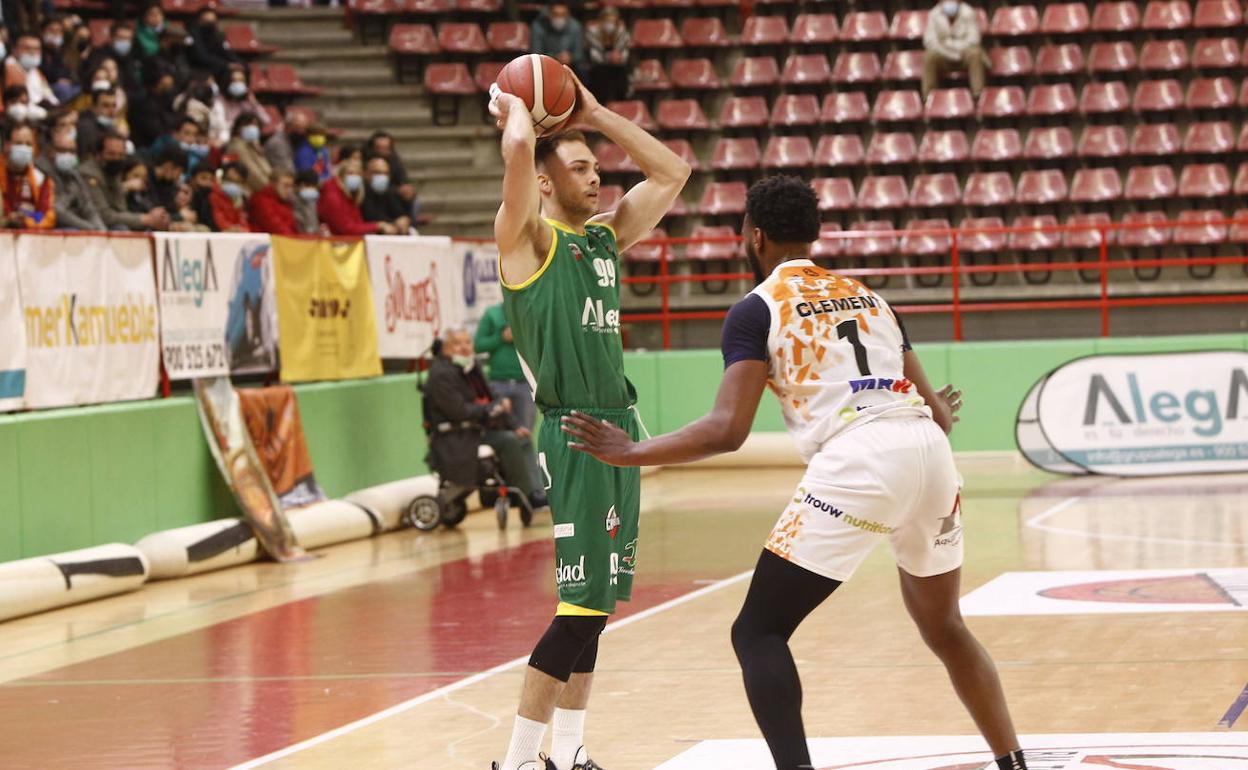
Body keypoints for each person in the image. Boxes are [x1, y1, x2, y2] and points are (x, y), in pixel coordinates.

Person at [560, 176, 1029, 770]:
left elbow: (728, 430)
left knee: (758, 631)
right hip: (928, 451)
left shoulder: (756, 309)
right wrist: (920, 416)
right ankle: (1014, 761)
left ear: (754, 236)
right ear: (814, 233)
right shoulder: (870, 296)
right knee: (945, 627)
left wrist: (629, 452)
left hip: (860, 457)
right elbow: (938, 413)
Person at [487, 67, 690, 770]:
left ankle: (568, 753)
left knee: (598, 606)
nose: (596, 177)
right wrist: (517, 111)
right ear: (544, 183)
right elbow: (518, 154)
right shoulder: (526, 243)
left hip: (619, 430)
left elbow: (671, 173)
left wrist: (598, 115)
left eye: (596, 167)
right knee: (578, 607)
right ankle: (515, 762)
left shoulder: (602, 240)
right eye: (578, 167)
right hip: (574, 434)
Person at [424, 328, 549, 513]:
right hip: (458, 435)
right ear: (445, 349)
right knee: (509, 441)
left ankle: (536, 491)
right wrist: (491, 409)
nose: (464, 348)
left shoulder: (471, 366)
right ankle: (526, 495)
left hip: (476, 429)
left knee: (521, 436)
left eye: (467, 342)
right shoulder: (441, 374)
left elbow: (492, 398)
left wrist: (514, 425)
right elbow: (459, 411)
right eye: (457, 344)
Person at [81, 130, 170, 230]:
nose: (116, 159)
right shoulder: (89, 174)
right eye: (111, 154)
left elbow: (121, 209)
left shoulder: (114, 173)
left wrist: (153, 218)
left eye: (121, 155)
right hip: (91, 226)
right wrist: (146, 219)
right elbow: (104, 215)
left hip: (112, 223)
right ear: (98, 155)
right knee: (121, 228)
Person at [474, 302, 535, 433]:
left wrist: (521, 336)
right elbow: (478, 345)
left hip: (525, 384)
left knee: (525, 432)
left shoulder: (530, 311)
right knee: (496, 431)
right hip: (497, 383)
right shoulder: (492, 313)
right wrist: (501, 337)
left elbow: (541, 343)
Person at [40, 126, 105, 230]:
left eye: (71, 151)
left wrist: (101, 231)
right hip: (51, 225)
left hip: (79, 224)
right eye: (62, 150)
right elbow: (56, 210)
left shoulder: (74, 174)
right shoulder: (41, 171)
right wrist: (89, 228)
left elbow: (88, 208)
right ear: (50, 151)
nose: (67, 155)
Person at [923, 0, 987, 99]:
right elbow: (929, 41)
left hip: (964, 54)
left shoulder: (968, 12)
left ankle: (978, 97)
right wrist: (948, 52)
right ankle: (929, 99)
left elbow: (974, 39)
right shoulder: (933, 14)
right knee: (929, 56)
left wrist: (948, 44)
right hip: (943, 55)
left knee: (976, 53)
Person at [317, 157, 394, 235]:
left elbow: (357, 223)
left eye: (358, 174)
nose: (355, 177)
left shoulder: (349, 195)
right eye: (351, 173)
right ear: (341, 175)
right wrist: (377, 226)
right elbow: (346, 229)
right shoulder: (332, 197)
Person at [0, 122, 56, 228]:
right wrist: (8, 219)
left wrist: (26, 221)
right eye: (19, 143)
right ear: (7, 145)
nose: (24, 148)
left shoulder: (41, 178)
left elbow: (45, 216)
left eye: (28, 144)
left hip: (30, 236)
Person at [366, 129, 419, 221]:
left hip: (392, 196)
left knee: (411, 200)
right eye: (379, 148)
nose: (383, 152)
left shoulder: (394, 161)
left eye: (386, 148)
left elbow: (404, 180)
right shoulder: (365, 161)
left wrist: (408, 191)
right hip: (372, 196)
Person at [585, 7, 629, 104]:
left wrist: (620, 57)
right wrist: (608, 58)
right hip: (599, 67)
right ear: (601, 20)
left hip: (617, 67)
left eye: (613, 21)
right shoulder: (593, 32)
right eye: (607, 21)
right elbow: (594, 54)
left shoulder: (621, 31)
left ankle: (622, 102)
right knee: (601, 73)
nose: (610, 24)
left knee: (622, 71)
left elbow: (625, 52)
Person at [6, 32, 58, 109]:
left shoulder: (36, 71)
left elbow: (48, 94)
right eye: (27, 48)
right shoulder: (7, 68)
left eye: (37, 49)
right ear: (14, 50)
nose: (32, 52)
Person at [530, 4, 586, 76]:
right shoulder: (538, 27)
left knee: (582, 69)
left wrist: (571, 57)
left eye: (563, 14)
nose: (559, 18)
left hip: (571, 66)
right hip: (546, 66)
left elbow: (579, 54)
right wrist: (555, 57)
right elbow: (536, 54)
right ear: (549, 14)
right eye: (555, 14)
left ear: (568, 15)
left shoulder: (575, 26)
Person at [360, 154, 411, 233]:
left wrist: (403, 219)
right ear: (365, 174)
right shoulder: (359, 193)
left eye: (385, 173)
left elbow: (399, 213)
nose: (382, 177)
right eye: (377, 173)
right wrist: (382, 225)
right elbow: (369, 218)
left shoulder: (389, 191)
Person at [186, 7, 241, 79]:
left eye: (213, 22)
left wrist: (238, 63)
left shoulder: (218, 36)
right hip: (199, 71)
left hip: (218, 69)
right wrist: (226, 65)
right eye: (207, 22)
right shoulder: (193, 35)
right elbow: (202, 57)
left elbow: (227, 52)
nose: (210, 25)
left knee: (238, 73)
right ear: (199, 21)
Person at [227, 112, 272, 194]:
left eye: (256, 125)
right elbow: (252, 173)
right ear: (239, 127)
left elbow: (267, 170)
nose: (254, 128)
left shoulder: (251, 145)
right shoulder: (236, 147)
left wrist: (259, 152)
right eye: (250, 125)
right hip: (247, 191)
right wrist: (271, 189)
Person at [76, 86, 121, 162]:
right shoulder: (85, 127)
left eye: (114, 106)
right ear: (93, 107)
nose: (112, 111)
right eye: (106, 106)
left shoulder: (111, 127)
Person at [248, 169, 297, 234]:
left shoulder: (286, 202)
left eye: (291, 186)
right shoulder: (261, 201)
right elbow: (276, 228)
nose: (289, 190)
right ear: (273, 184)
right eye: (285, 186)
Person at [264, 108, 308, 173]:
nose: (302, 132)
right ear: (287, 126)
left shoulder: (294, 140)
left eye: (304, 128)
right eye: (298, 127)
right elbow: (287, 171)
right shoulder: (277, 143)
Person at [292, 168, 321, 234]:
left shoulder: (312, 201)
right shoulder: (291, 202)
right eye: (307, 186)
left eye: (313, 186)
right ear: (297, 185)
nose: (311, 189)